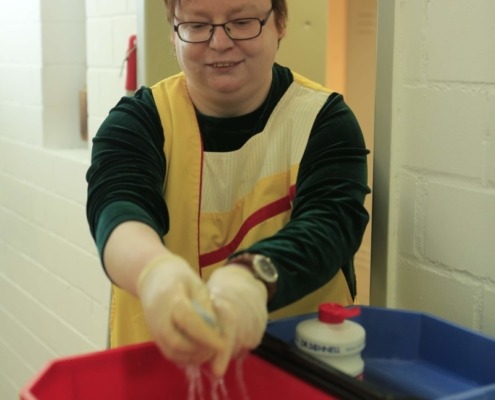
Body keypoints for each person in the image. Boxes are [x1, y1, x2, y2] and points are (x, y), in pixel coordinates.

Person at [86, 0, 370, 378]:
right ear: (174, 31)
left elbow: (332, 223)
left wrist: (253, 278)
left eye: (242, 21)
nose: (219, 43)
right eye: (198, 25)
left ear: (279, 22)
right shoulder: (137, 122)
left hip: (295, 375)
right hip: (162, 376)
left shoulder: (324, 120)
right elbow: (117, 206)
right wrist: (154, 273)